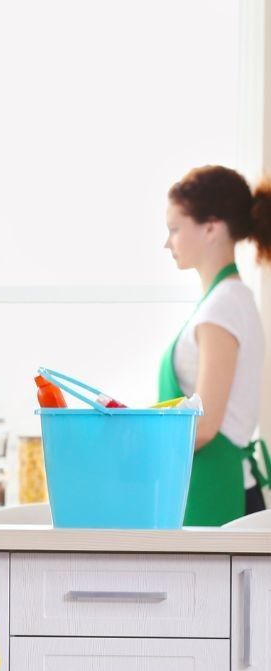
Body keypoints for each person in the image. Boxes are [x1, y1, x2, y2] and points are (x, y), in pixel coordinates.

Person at [159, 164, 271, 523]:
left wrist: (140, 448)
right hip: (215, 482)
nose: (167, 242)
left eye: (175, 229)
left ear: (211, 227)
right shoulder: (224, 300)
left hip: (220, 489)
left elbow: (204, 425)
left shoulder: (223, 305)